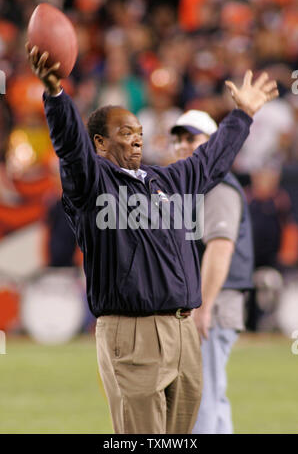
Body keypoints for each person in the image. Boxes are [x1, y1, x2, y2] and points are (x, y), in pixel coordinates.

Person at [26, 43, 278, 434]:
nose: (138, 140)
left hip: (183, 329)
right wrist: (56, 95)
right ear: (101, 144)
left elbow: (211, 159)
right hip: (131, 331)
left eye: (140, 132)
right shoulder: (92, 183)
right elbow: (70, 147)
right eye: (126, 133)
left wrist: (242, 115)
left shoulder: (169, 179)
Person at [170, 110, 254, 434]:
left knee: (200, 396)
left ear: (212, 143)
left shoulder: (218, 187)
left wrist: (202, 307)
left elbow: (220, 248)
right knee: (211, 397)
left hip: (214, 302)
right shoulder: (198, 185)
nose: (182, 145)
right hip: (212, 300)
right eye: (178, 138)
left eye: (191, 137)